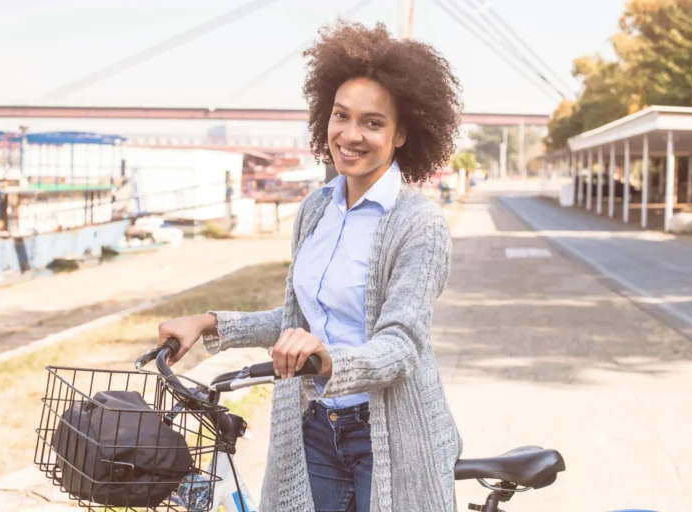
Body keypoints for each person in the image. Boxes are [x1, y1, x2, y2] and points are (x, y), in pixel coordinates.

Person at [157, 20, 463, 512]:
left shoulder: (419, 223)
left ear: (403, 133)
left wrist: (329, 359)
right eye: (341, 116)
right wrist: (212, 324)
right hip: (316, 427)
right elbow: (301, 322)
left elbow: (402, 344)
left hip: (390, 435)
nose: (351, 134)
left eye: (373, 122)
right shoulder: (315, 209)